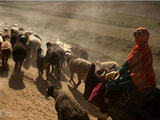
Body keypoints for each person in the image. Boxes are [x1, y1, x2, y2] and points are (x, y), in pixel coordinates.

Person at [102, 27, 156, 106]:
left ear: (143, 38)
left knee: (112, 84)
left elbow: (128, 64)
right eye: (135, 36)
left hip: (139, 78)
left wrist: (118, 72)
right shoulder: (146, 47)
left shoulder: (140, 50)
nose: (136, 38)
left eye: (138, 36)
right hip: (149, 77)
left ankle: (105, 105)